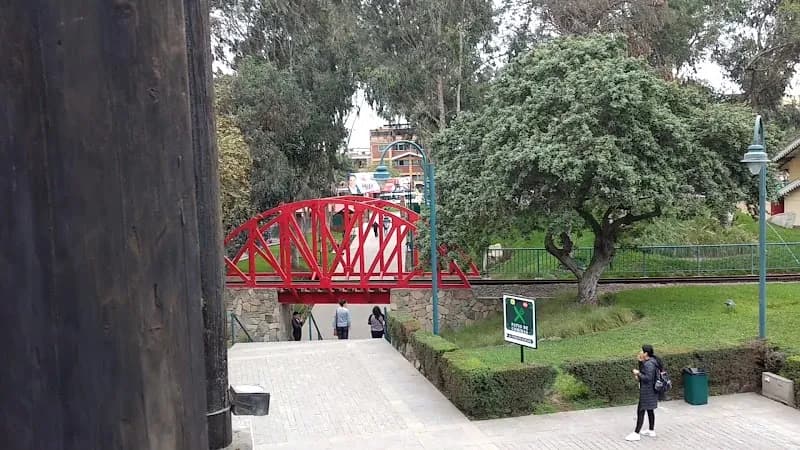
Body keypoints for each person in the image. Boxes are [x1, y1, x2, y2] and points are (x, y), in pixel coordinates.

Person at [626, 344, 660, 441]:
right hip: (650, 391)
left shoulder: (649, 364)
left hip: (647, 391)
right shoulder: (650, 361)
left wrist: (637, 373)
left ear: (646, 353)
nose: (640, 352)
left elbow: (647, 378)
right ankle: (651, 430)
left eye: (642, 351)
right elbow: (644, 372)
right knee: (650, 410)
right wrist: (640, 362)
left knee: (641, 411)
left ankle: (636, 433)